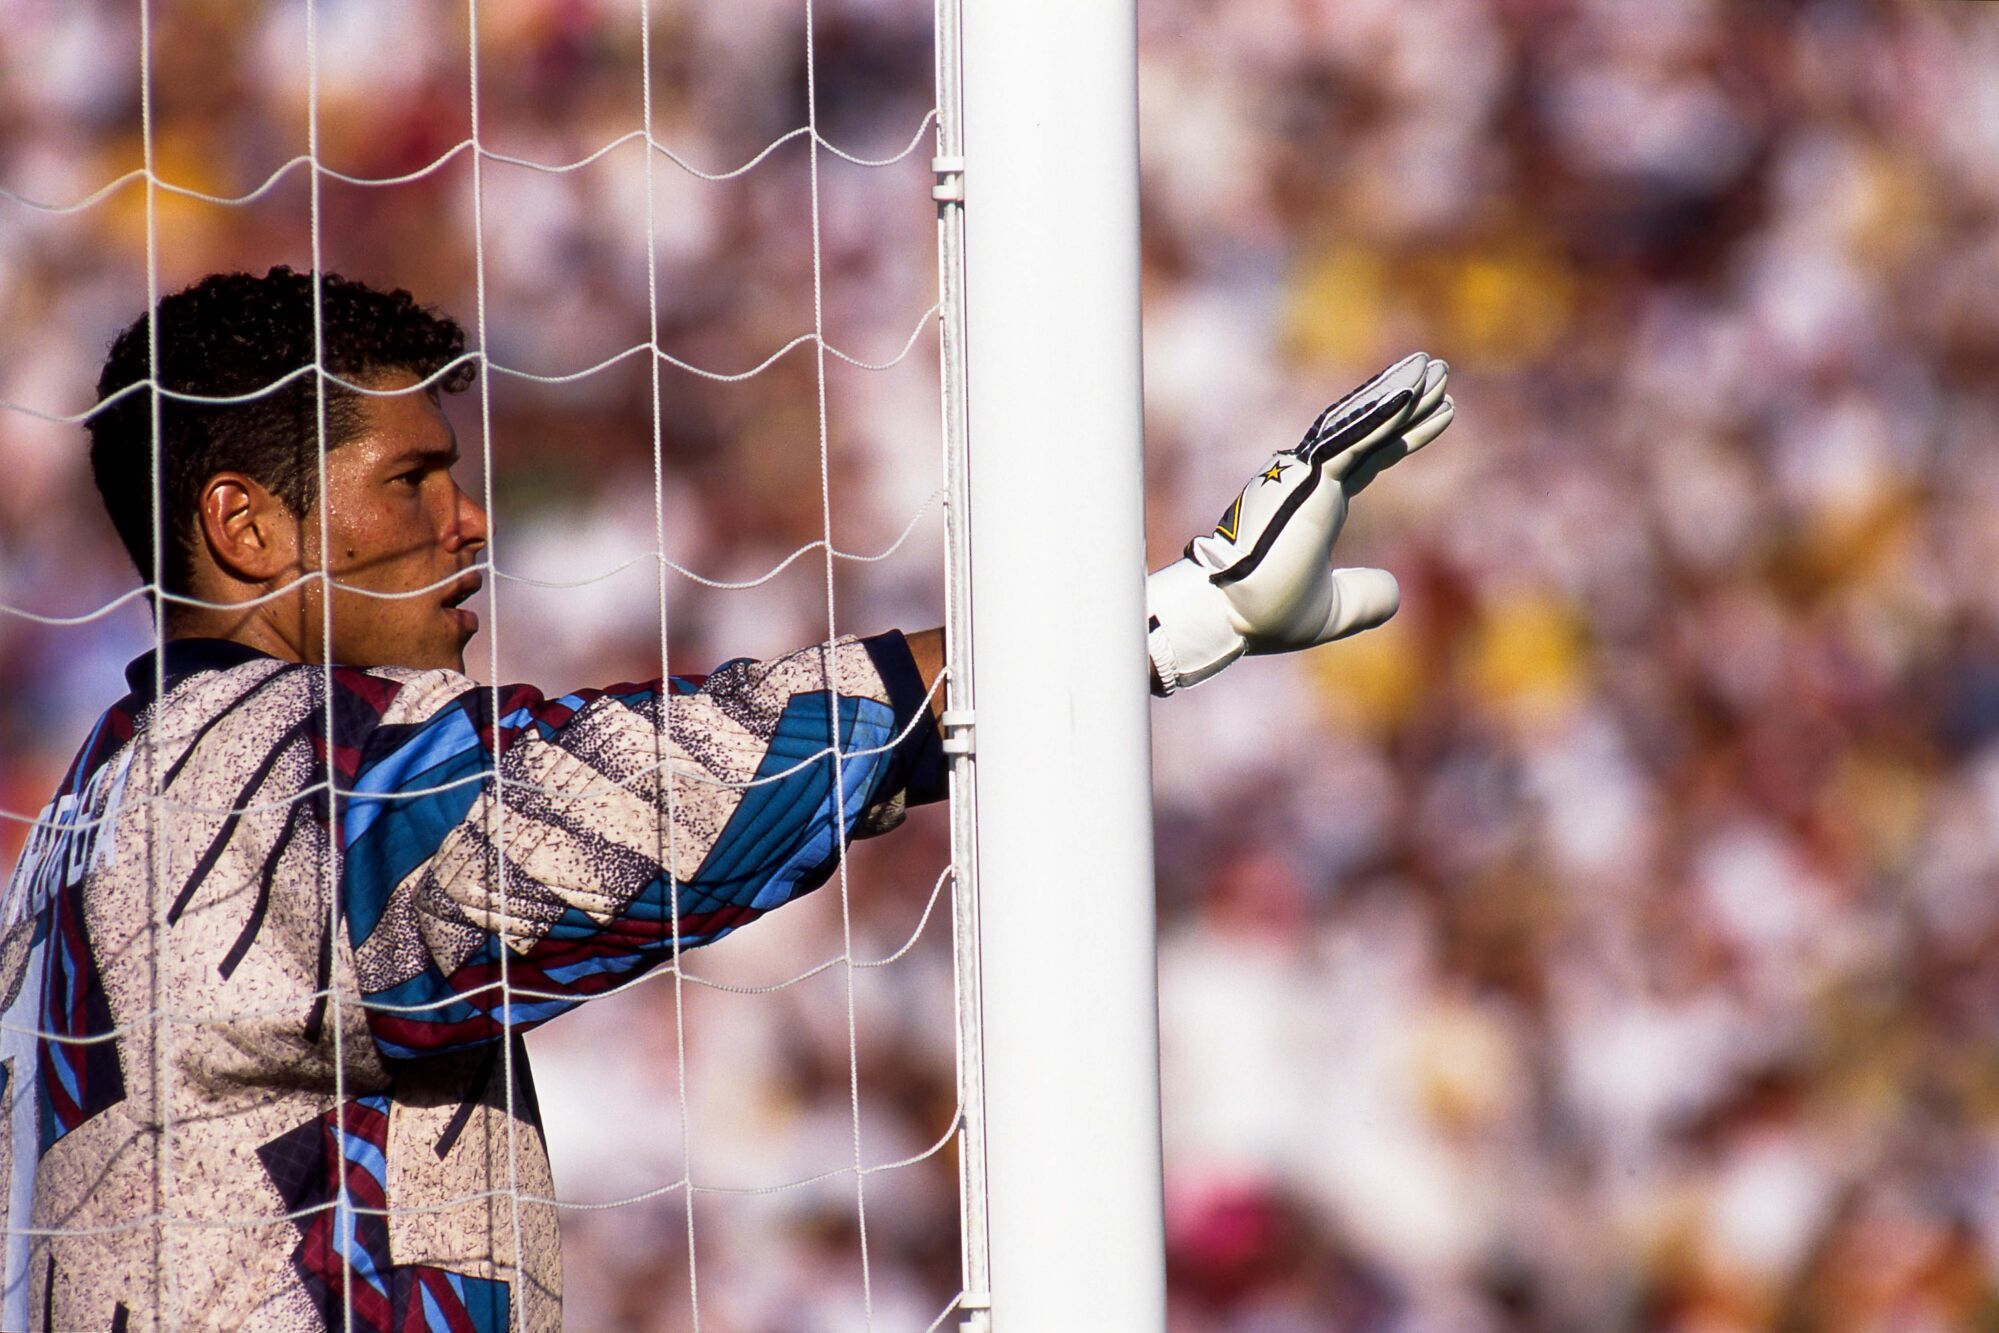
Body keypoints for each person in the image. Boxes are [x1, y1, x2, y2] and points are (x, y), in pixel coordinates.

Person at [0, 267, 1451, 1330]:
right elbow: (646, 794)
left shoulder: (81, 824)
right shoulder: (271, 777)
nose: (471, 521)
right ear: (247, 526)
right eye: (414, 479)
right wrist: (1157, 625)